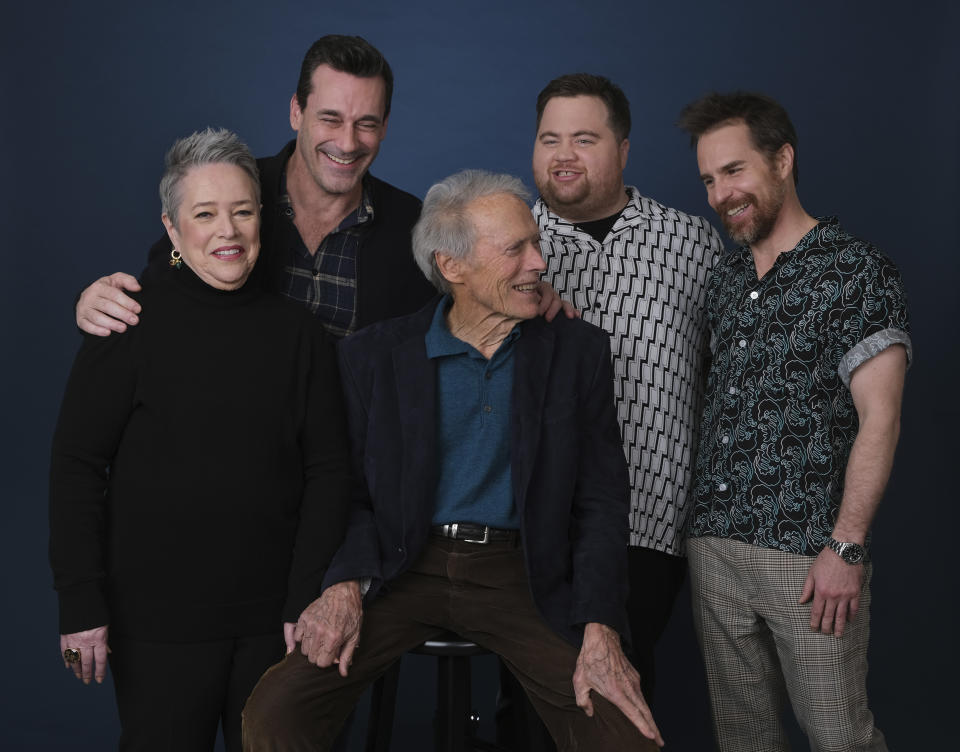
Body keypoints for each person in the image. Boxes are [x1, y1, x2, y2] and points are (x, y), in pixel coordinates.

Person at [241, 170, 664, 752]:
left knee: (626, 735)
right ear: (453, 266)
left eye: (534, 243)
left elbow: (600, 501)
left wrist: (601, 626)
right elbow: (354, 492)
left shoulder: (576, 352)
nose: (539, 263)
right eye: (515, 249)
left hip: (525, 574)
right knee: (276, 712)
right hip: (402, 567)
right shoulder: (373, 356)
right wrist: (342, 586)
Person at [49, 128, 352, 751]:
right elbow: (76, 466)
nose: (229, 232)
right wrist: (80, 602)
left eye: (243, 211)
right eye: (205, 214)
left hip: (275, 620)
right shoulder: (126, 320)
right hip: (154, 622)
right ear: (171, 226)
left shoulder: (298, 334)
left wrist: (305, 598)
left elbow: (328, 470)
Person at [677, 91, 910, 751]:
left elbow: (881, 419)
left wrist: (846, 546)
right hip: (714, 549)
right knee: (744, 739)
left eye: (735, 170)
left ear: (782, 159)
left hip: (807, 557)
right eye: (709, 179)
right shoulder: (722, 279)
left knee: (839, 738)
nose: (722, 192)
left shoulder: (856, 273)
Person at [531, 73, 724, 699]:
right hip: (536, 519)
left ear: (623, 149)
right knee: (536, 700)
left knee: (623, 695)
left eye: (584, 138)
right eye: (550, 138)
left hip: (651, 520)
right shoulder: (506, 245)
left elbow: (724, 383)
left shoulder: (693, 243)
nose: (564, 154)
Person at [74, 34, 436, 340]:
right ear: (297, 111)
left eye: (366, 124)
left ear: (385, 125)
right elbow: (171, 262)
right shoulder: (237, 191)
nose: (346, 143)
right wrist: (97, 303)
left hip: (349, 425)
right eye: (330, 118)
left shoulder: (411, 226)